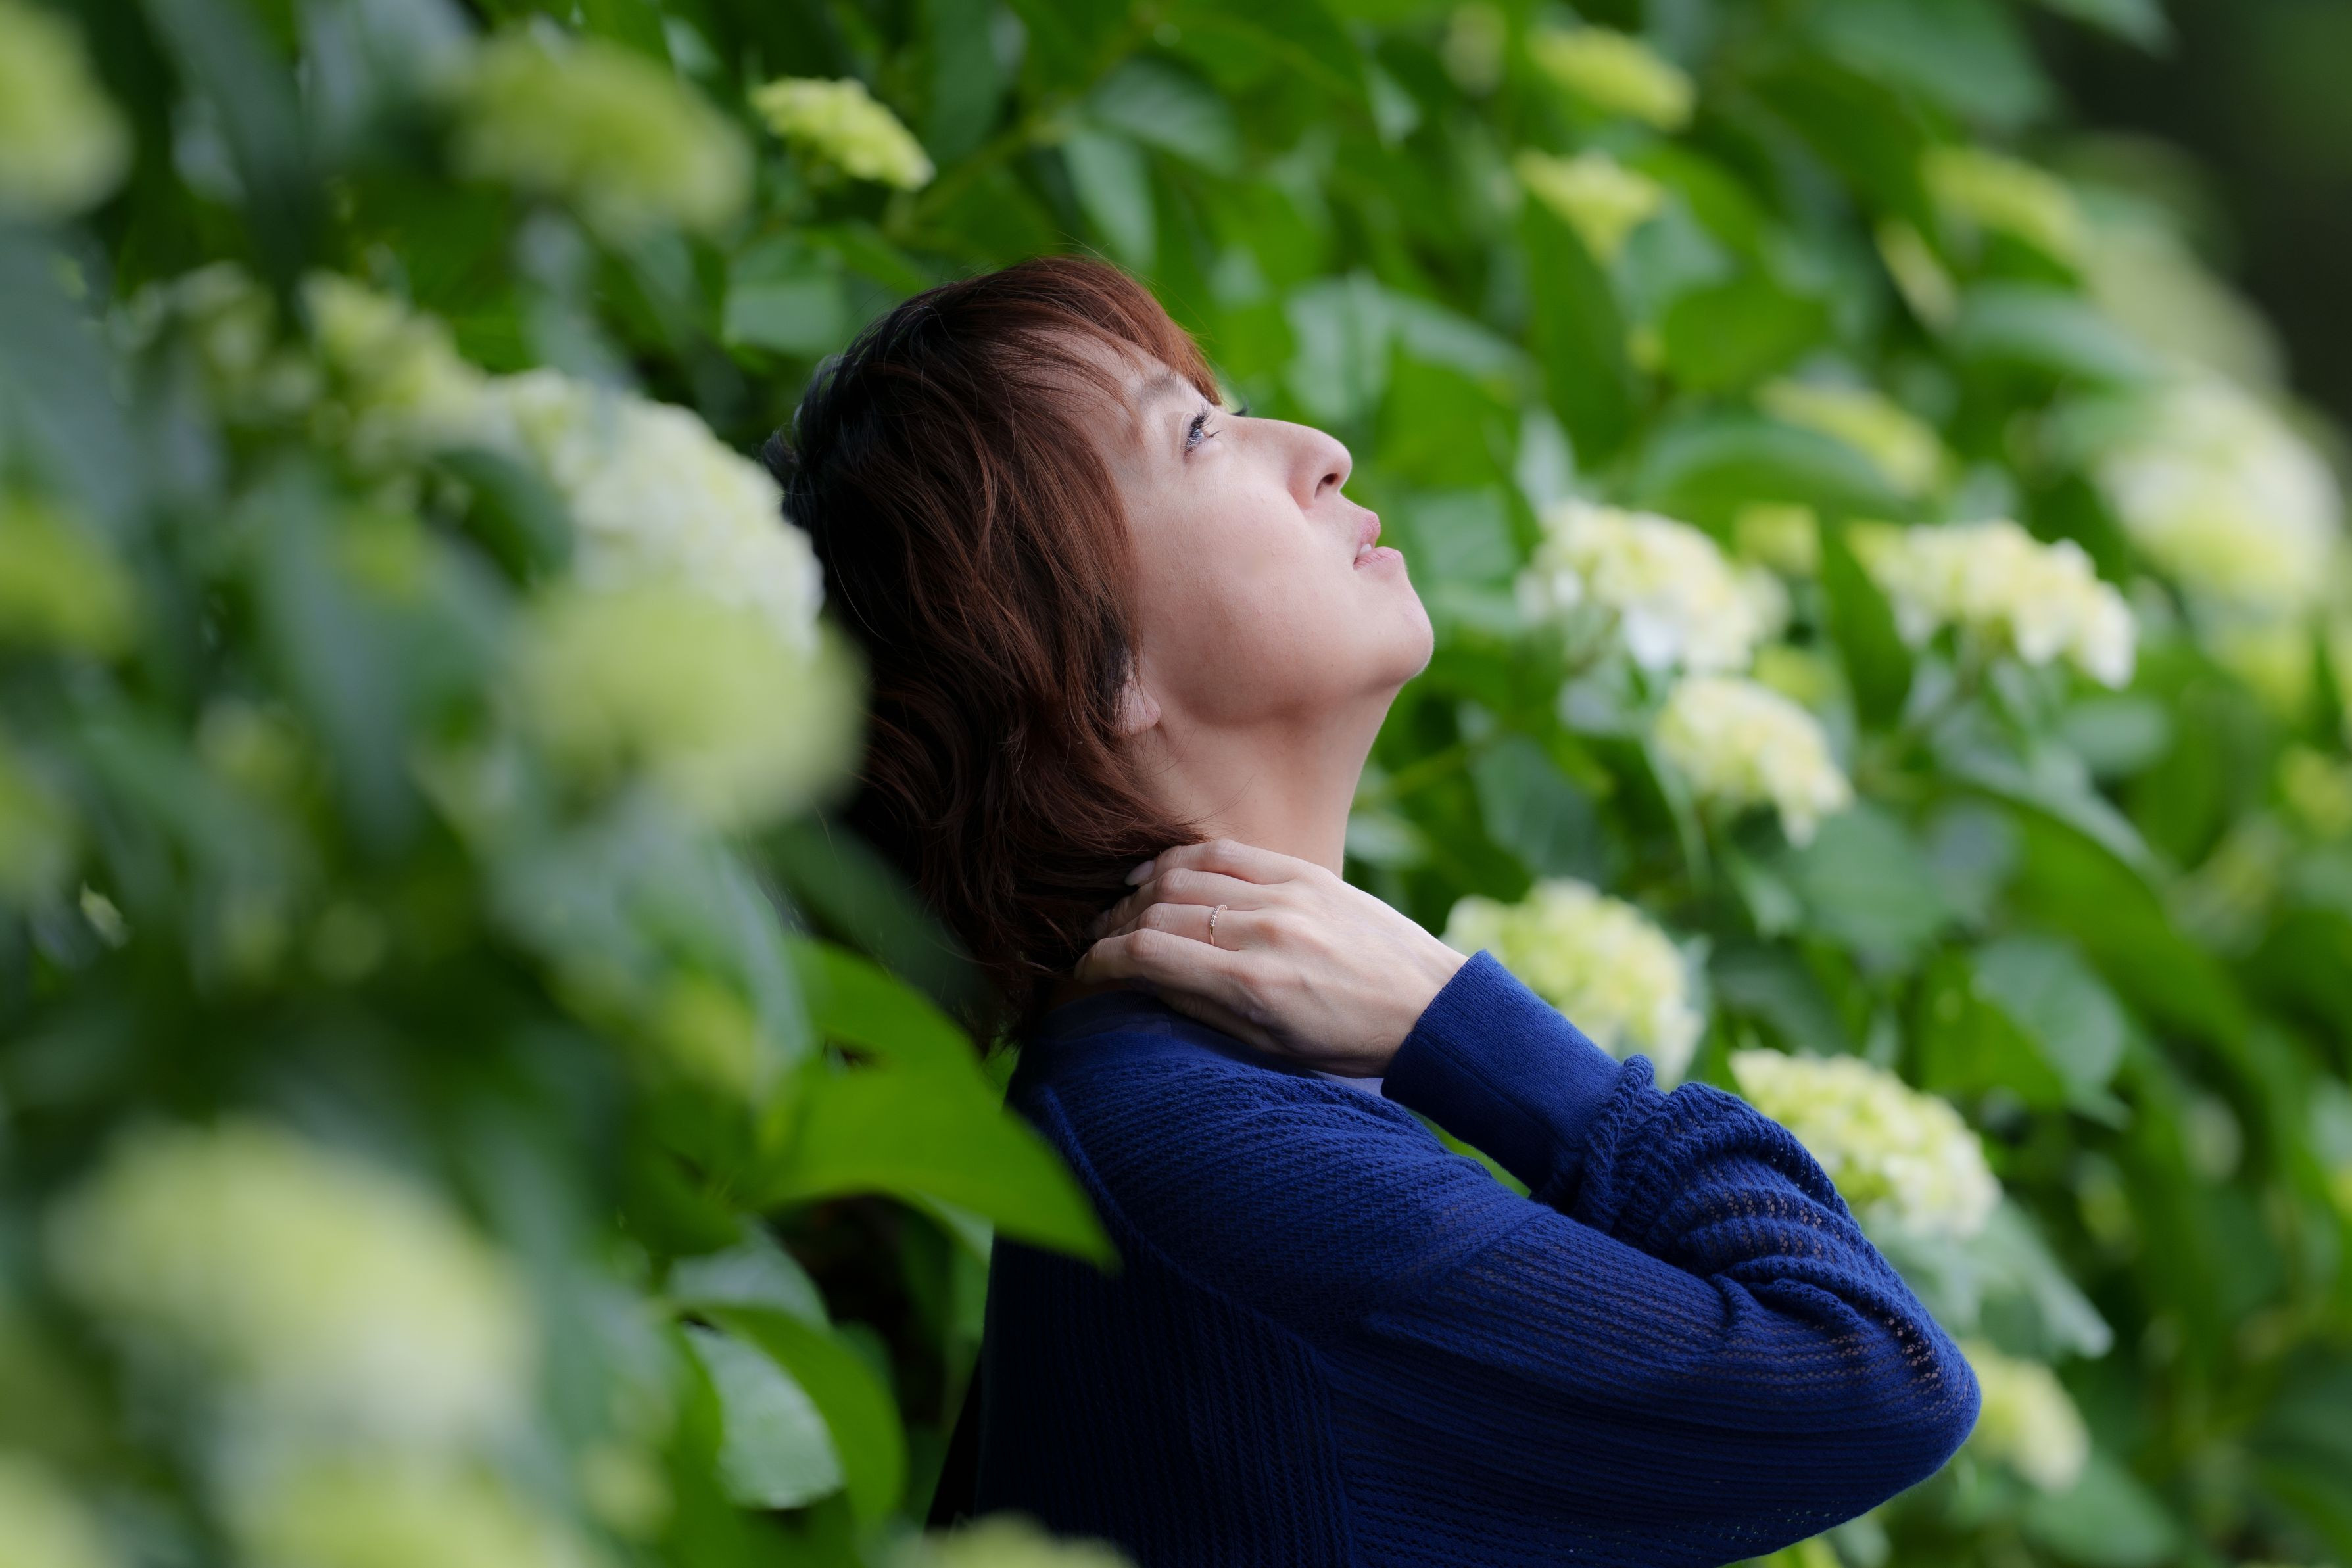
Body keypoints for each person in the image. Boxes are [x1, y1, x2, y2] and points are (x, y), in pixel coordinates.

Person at [769, 256, 1977, 1566]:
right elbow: (1880, 1376)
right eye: (1196, 434)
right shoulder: (1200, 1148)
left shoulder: (1166, 1090)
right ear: (1085, 667)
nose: (1321, 451)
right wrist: (1464, 1023)